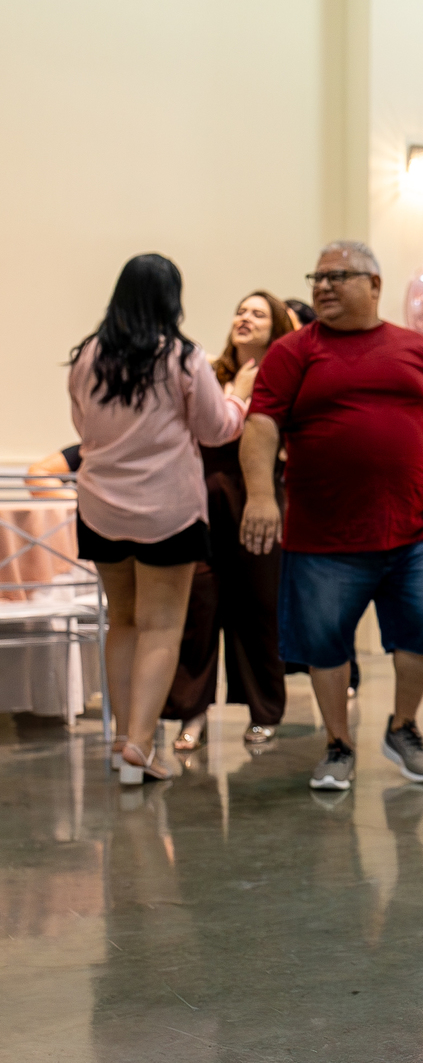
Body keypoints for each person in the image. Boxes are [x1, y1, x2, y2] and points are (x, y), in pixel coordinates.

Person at [240, 240, 423, 792]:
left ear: (374, 284)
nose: (323, 286)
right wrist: (260, 495)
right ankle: (338, 743)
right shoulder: (293, 352)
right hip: (323, 537)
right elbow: (261, 425)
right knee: (326, 646)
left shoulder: (416, 349)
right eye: (317, 277)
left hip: (410, 531)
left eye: (337, 276)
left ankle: (403, 727)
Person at [68, 253, 256, 784]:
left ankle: (121, 740)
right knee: (162, 626)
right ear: (172, 299)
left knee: (123, 621)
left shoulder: (88, 355)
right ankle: (142, 745)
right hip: (167, 512)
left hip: (100, 507)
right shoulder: (182, 357)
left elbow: (82, 427)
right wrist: (239, 398)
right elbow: (216, 429)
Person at [165, 290, 293, 753]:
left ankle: (264, 713)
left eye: (258, 314)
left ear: (276, 328)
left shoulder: (284, 378)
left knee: (258, 608)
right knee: (197, 608)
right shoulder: (210, 372)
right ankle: (192, 713)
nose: (245, 318)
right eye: (241, 311)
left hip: (257, 501)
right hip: (202, 500)